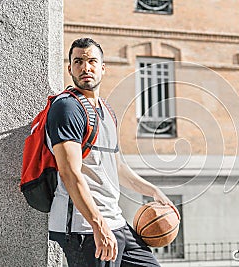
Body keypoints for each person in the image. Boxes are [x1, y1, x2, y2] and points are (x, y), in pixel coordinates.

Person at [47, 38, 170, 267]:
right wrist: (98, 226)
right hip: (84, 229)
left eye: (92, 61)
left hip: (115, 222)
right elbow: (69, 173)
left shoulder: (106, 111)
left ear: (103, 67)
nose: (86, 67)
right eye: (78, 61)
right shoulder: (67, 108)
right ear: (70, 68)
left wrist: (153, 191)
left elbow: (118, 168)